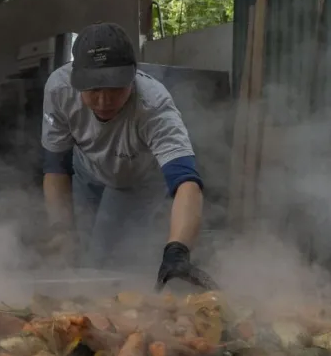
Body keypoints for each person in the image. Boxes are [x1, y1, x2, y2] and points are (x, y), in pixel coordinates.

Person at [41, 22, 216, 290]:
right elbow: (56, 166)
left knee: (104, 259)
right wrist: (60, 230)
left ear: (133, 76)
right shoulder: (59, 90)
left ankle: (116, 317)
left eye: (114, 88)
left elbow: (186, 182)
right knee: (71, 253)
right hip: (86, 171)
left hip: (135, 181)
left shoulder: (154, 106)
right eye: (93, 89)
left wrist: (177, 251)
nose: (103, 100)